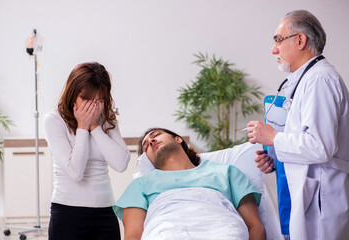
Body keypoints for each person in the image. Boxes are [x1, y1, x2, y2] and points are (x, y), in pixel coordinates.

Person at [246, 10, 349, 240]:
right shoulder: (307, 79)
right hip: (310, 195)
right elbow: (306, 141)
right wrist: (276, 159)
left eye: (277, 40)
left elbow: (321, 146)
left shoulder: (320, 80)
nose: (274, 49)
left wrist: (273, 138)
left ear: (300, 40)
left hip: (324, 201)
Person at [113, 128, 266, 240]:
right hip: (166, 232)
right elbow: (133, 237)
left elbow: (255, 226)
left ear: (178, 139)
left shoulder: (226, 172)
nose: (151, 141)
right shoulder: (141, 184)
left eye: (156, 135)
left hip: (222, 229)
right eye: (146, 146)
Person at [44, 62, 131, 240]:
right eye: (86, 100)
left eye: (99, 100)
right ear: (72, 94)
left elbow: (121, 163)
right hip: (67, 211)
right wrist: (83, 127)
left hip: (105, 210)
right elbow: (75, 172)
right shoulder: (54, 120)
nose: (92, 107)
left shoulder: (106, 119)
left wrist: (95, 126)